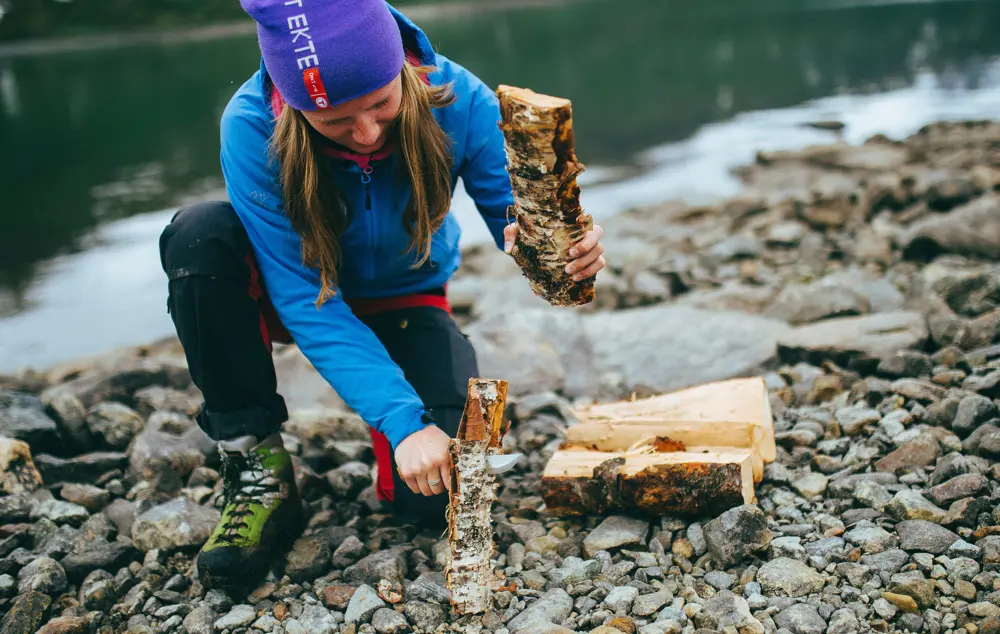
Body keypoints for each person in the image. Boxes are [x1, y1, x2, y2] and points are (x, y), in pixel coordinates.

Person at [157, 0, 606, 590]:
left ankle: (395, 423)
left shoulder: (457, 96)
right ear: (295, 107)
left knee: (432, 503)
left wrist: (560, 247)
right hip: (295, 296)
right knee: (198, 237)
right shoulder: (250, 125)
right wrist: (402, 421)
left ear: (399, 67)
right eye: (334, 120)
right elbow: (303, 300)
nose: (365, 135)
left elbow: (512, 214)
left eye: (380, 105)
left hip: (406, 298)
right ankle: (254, 463)